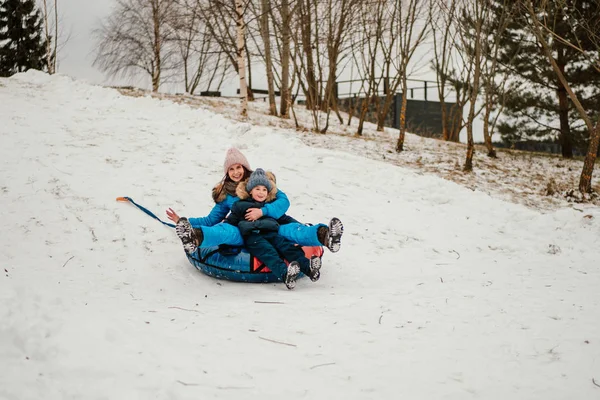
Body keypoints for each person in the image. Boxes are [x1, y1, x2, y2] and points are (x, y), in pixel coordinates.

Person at [166, 147, 343, 254]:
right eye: (231, 169)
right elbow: (211, 219)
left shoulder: (259, 183)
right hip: (244, 232)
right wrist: (184, 221)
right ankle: (193, 237)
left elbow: (284, 201)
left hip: (270, 226)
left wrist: (263, 211)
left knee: (292, 230)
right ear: (226, 172)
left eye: (239, 167)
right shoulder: (225, 194)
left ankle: (326, 236)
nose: (236, 172)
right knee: (224, 230)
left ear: (245, 168)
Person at [224, 168, 321, 289]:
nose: (261, 192)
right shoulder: (240, 205)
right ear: (250, 191)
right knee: (269, 253)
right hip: (253, 237)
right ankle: (286, 275)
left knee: (287, 247)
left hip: (271, 233)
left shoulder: (269, 207)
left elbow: (285, 218)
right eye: (257, 189)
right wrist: (225, 241)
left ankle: (310, 269)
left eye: (264, 189)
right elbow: (231, 221)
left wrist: (300, 226)